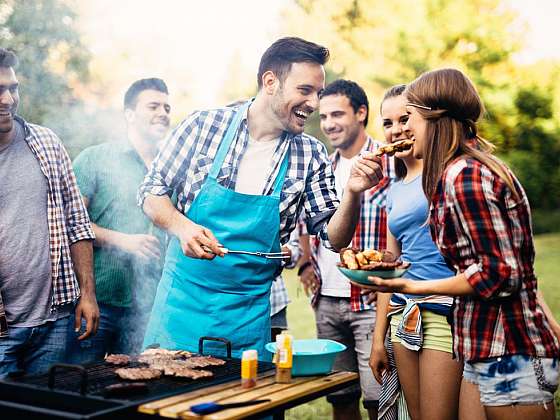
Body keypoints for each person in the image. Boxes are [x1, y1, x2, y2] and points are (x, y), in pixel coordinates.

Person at [138, 37, 384, 359]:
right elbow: (150, 191)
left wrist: (352, 192)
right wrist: (183, 227)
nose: (313, 103)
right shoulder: (203, 126)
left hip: (248, 317)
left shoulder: (310, 154)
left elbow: (334, 238)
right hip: (180, 308)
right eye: (305, 90)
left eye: (318, 93)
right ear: (271, 82)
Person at [360, 68, 559, 420]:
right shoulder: (460, 170)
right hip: (484, 341)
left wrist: (411, 285)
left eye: (413, 117)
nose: (407, 128)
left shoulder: (465, 175)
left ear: (434, 119)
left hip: (509, 347)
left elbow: (501, 275)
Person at [297, 79, 395, 420]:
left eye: (337, 114)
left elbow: (406, 230)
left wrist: (386, 276)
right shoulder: (321, 166)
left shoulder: (390, 163)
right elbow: (306, 221)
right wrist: (306, 262)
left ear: (361, 113)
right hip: (326, 302)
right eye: (323, 117)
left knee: (378, 401)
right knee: (341, 397)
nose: (328, 124)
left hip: (370, 302)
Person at [0, 48, 98, 377]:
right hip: (2, 332)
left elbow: (77, 223)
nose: (8, 100)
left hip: (55, 321)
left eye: (12, 88)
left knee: (47, 410)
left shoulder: (46, 143)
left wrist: (88, 294)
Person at [368, 85, 462, 420]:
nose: (397, 130)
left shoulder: (446, 172)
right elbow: (390, 267)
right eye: (388, 123)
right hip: (402, 315)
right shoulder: (392, 189)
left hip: (442, 310)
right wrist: (379, 338)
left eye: (406, 118)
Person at [67, 78, 171, 362]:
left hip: (149, 308)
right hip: (97, 302)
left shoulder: (173, 168)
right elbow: (68, 223)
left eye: (166, 107)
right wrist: (123, 240)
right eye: (153, 106)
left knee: (140, 390)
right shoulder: (95, 158)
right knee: (83, 387)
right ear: (129, 114)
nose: (163, 112)